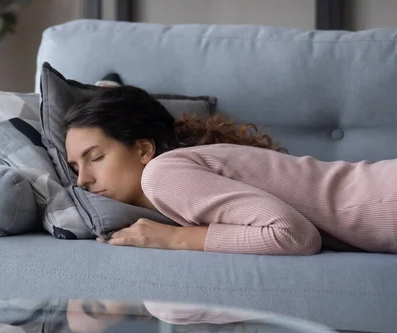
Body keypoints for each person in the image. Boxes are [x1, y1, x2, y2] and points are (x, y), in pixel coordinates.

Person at [64, 85, 397, 256]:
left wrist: (173, 238)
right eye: (75, 167)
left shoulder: (162, 175)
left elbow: (293, 235)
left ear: (143, 149)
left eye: (95, 157)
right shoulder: (183, 174)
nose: (82, 181)